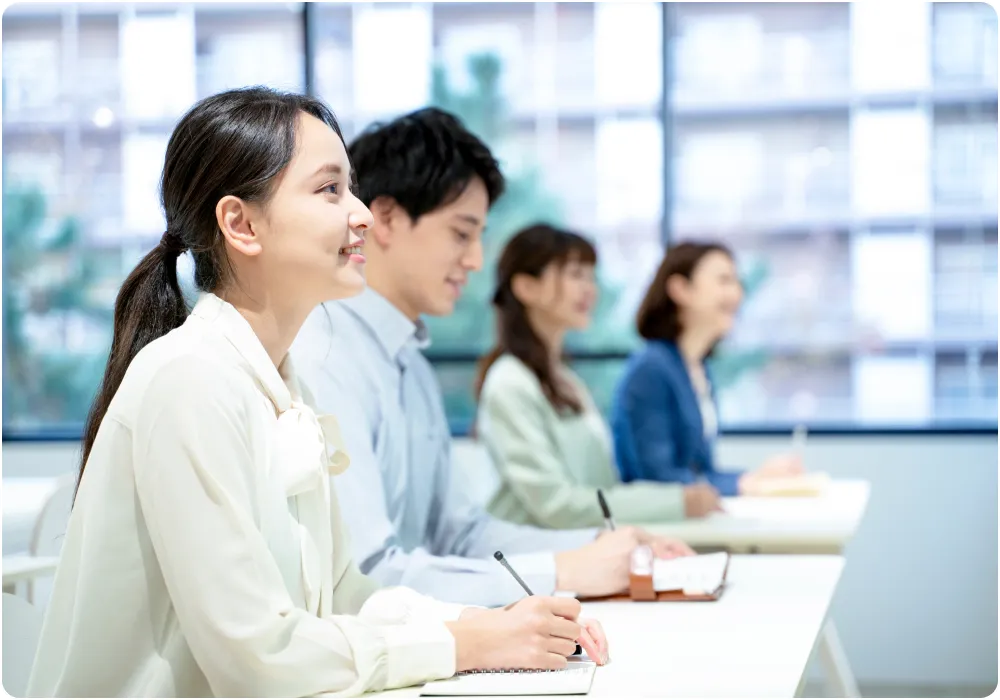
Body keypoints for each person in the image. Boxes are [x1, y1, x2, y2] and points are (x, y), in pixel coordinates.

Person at [28, 88, 606, 699]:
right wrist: (462, 644)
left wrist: (483, 625)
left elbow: (344, 595)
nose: (360, 215)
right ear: (241, 224)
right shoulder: (188, 380)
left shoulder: (279, 386)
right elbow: (257, 658)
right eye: (330, 190)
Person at [291, 108, 691, 609]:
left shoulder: (409, 360)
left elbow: (458, 532)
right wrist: (563, 569)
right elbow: (366, 576)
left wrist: (598, 546)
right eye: (462, 233)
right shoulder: (324, 354)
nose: (477, 260)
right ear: (386, 218)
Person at [475, 224, 722, 529]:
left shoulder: (566, 381)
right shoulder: (509, 382)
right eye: (576, 274)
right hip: (527, 562)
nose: (589, 289)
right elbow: (557, 505)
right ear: (526, 287)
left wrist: (679, 498)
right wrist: (676, 500)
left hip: (576, 549)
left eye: (591, 276)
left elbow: (602, 489)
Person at [610, 241, 804, 498]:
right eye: (724, 281)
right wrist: (744, 484)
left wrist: (754, 477)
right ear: (680, 289)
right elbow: (658, 480)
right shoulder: (651, 369)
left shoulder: (697, 368)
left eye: (737, 283)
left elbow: (703, 472)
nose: (736, 294)